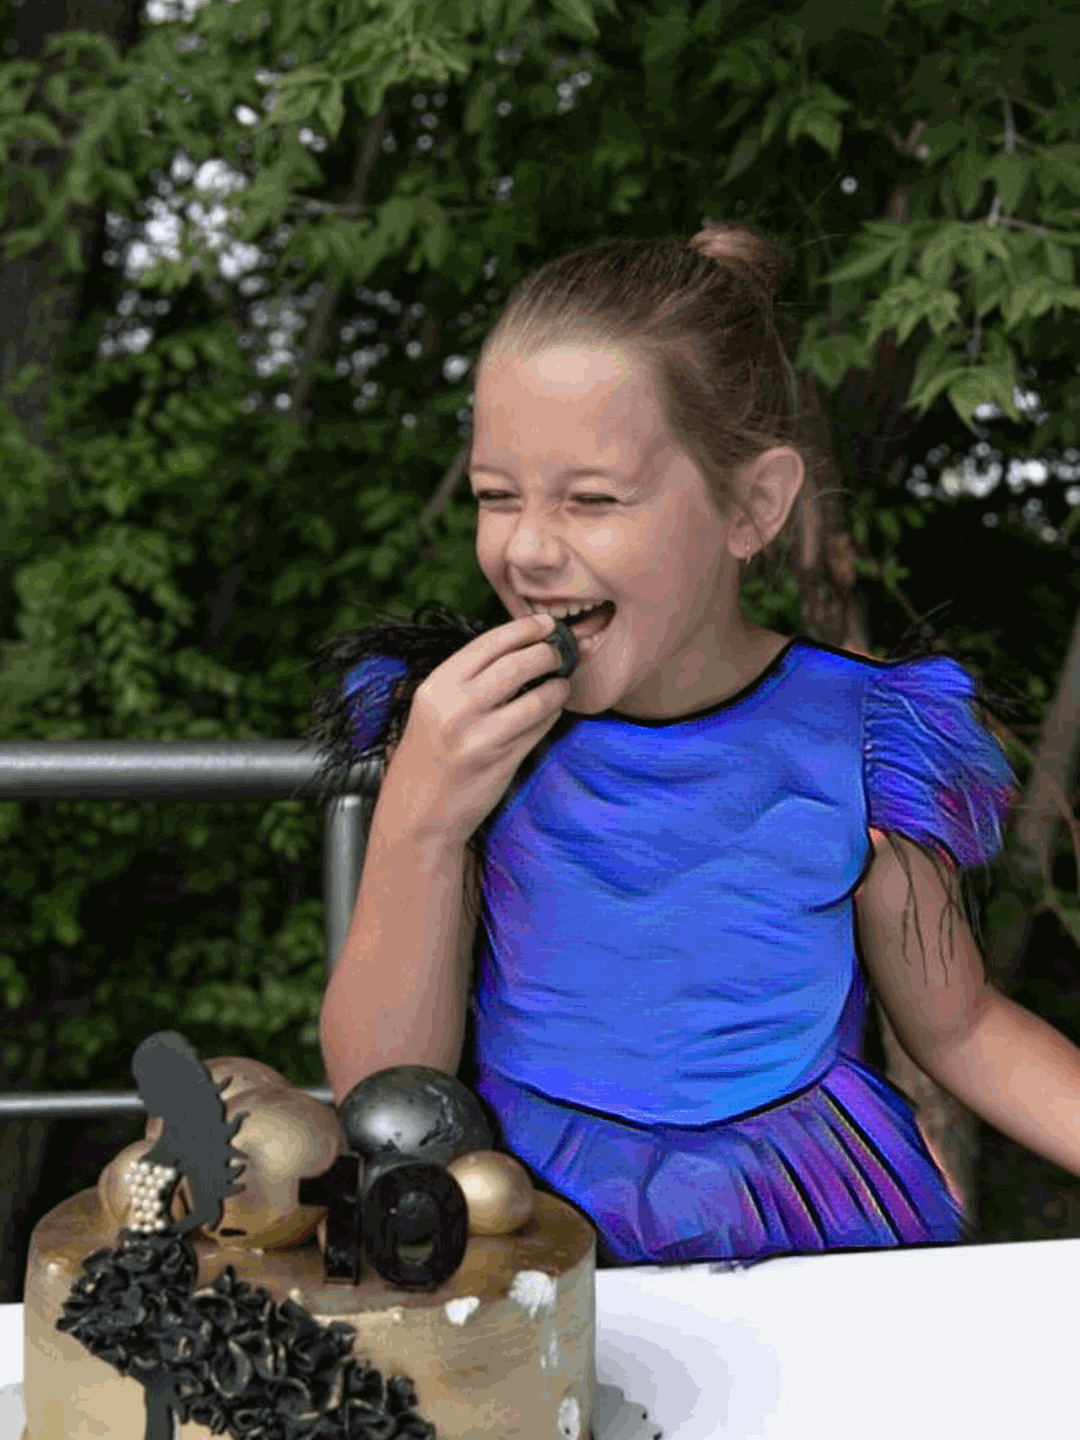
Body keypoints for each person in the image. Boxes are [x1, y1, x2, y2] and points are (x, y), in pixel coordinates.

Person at [308, 220, 1073, 1269]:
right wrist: (420, 824)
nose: (528, 549)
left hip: (806, 1227)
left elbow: (963, 1029)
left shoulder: (862, 739)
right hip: (529, 1227)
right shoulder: (461, 736)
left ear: (752, 506)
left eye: (592, 500)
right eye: (496, 496)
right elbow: (383, 1098)